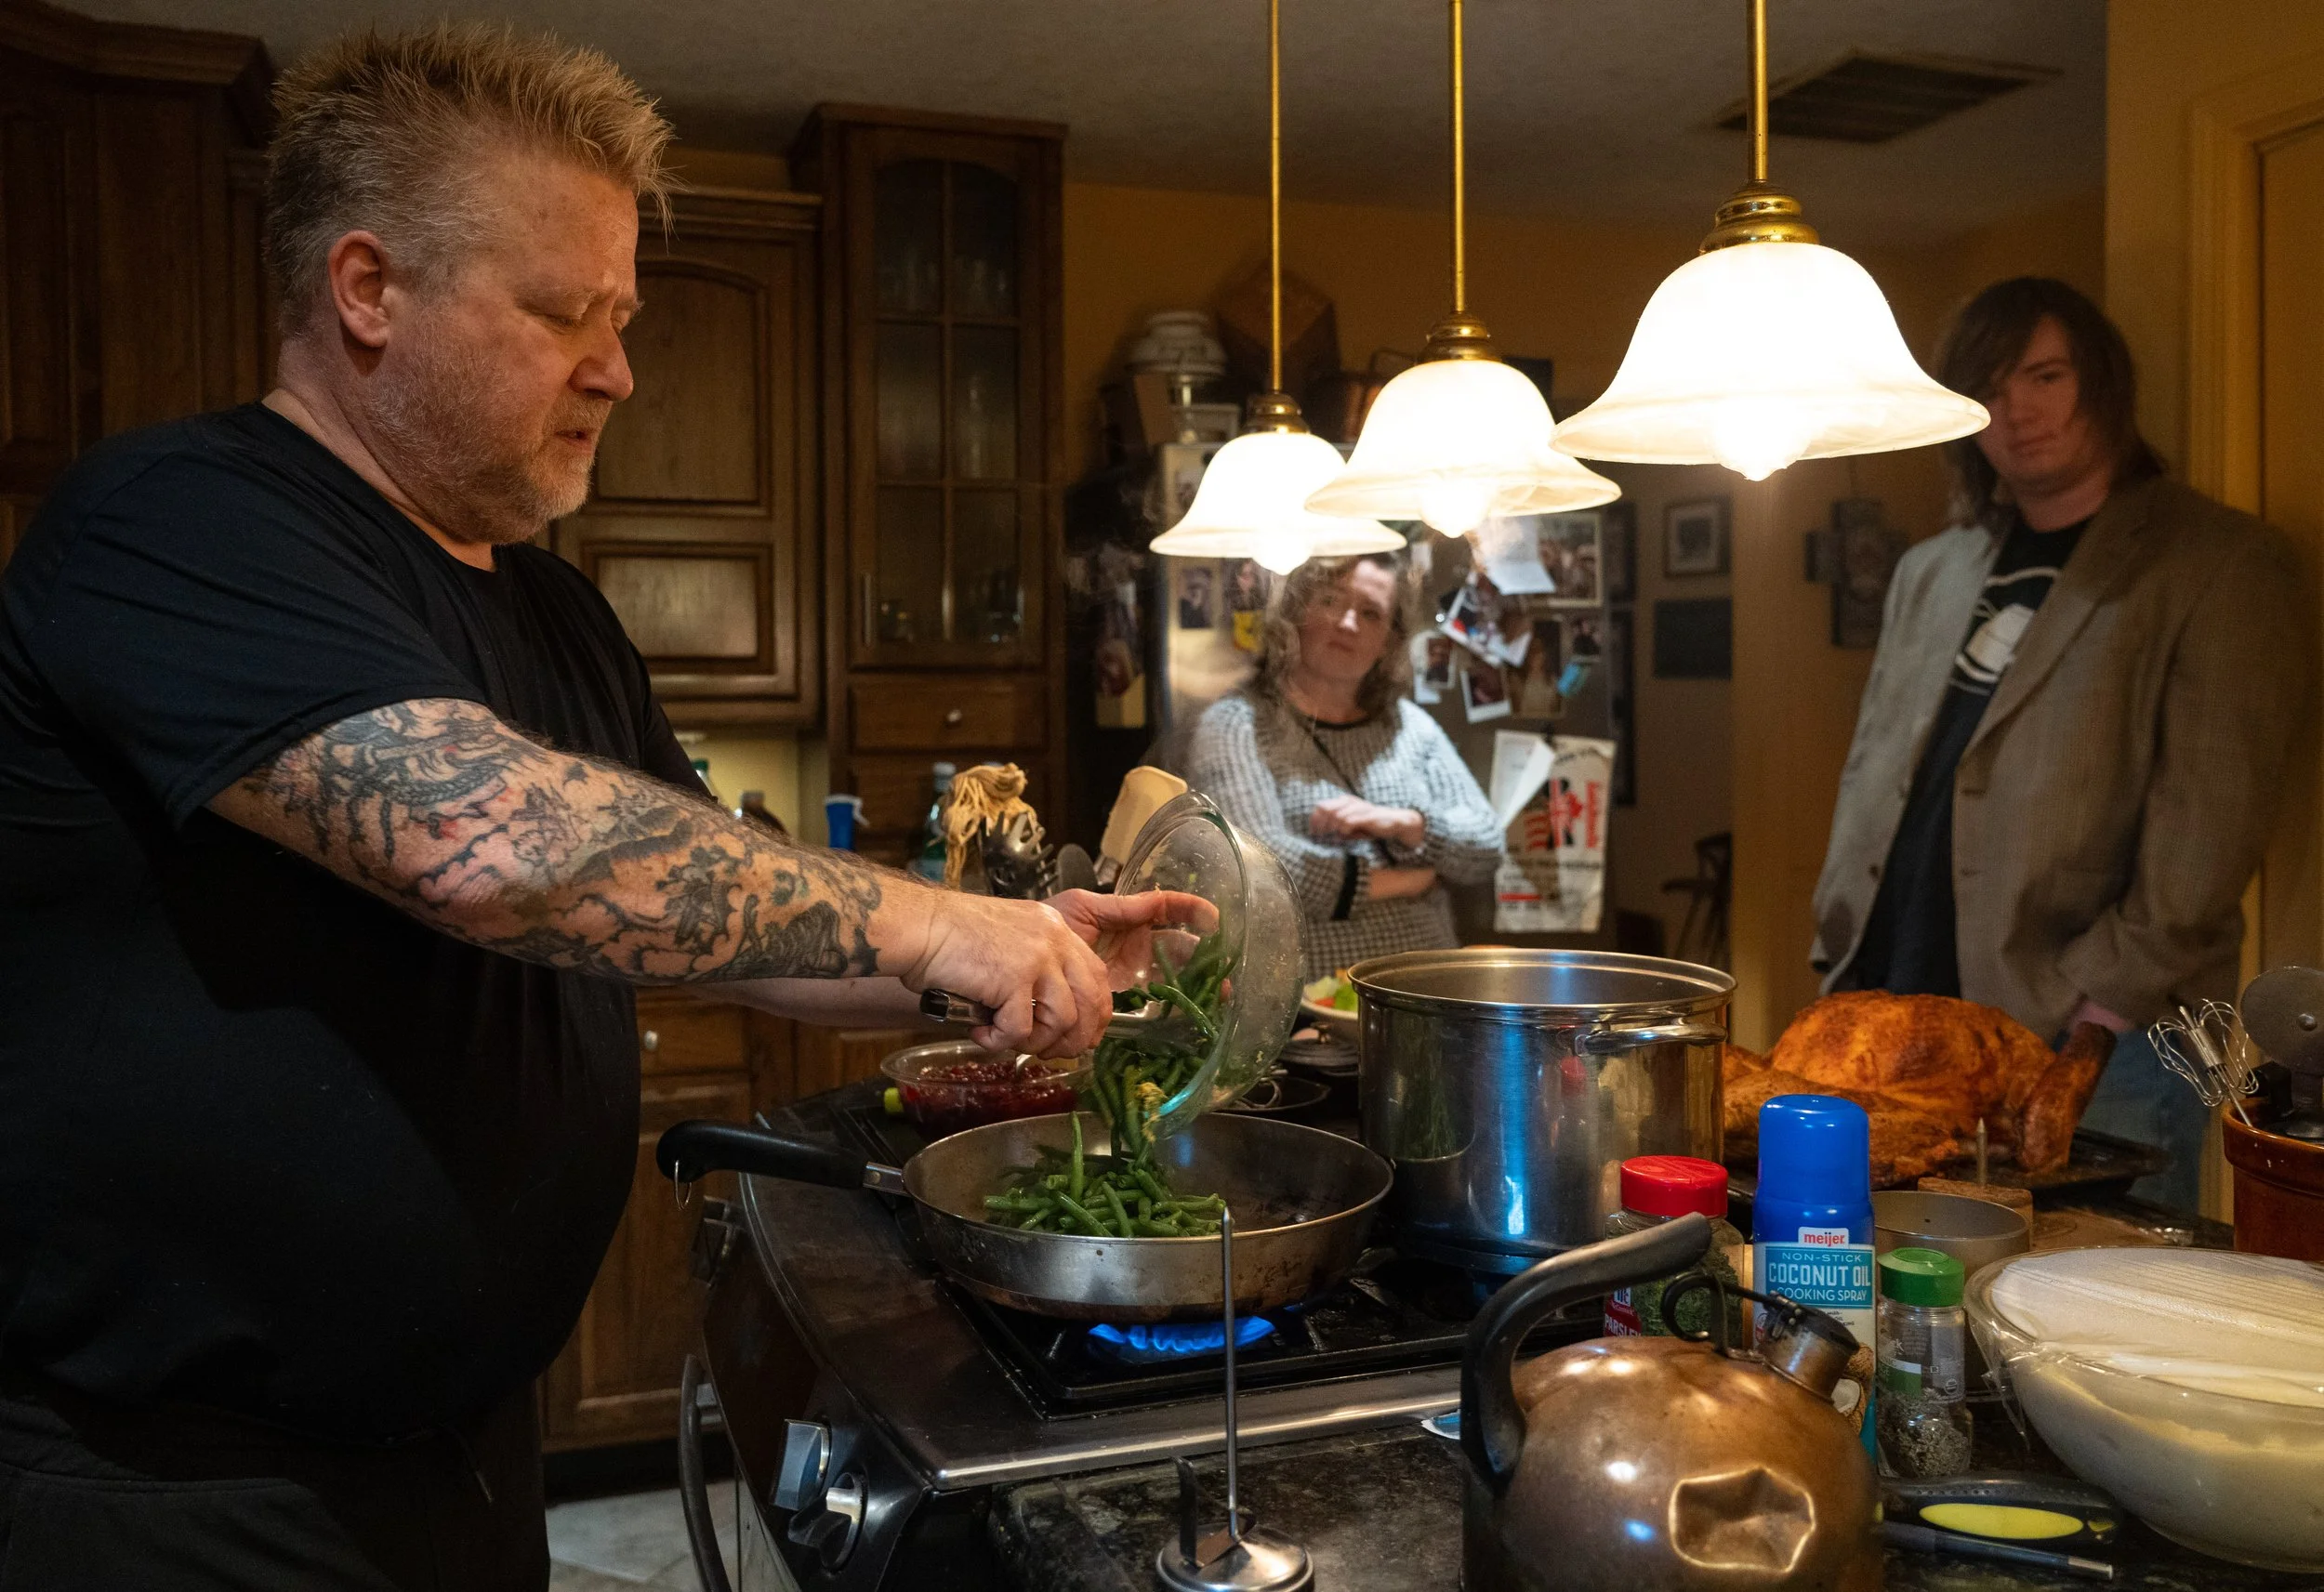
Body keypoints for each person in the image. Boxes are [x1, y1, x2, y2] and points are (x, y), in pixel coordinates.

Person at [0, 24, 1177, 1590]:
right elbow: (483, 844)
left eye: (621, 316)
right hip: (172, 1487)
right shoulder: (178, 518)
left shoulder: (559, 619)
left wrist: (1014, 941)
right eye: (564, 312)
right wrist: (932, 914)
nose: (619, 366)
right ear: (368, 288)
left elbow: (711, 913)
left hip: (463, 1452)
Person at [1812, 277, 2311, 1209]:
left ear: (2104, 383)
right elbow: (1874, 774)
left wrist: (2093, 1015)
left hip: (2094, 1040)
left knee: (2083, 1307)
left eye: (2044, 377)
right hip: (1903, 1017)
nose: (2017, 412)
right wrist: (1838, 952)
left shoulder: (2217, 565)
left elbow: (2206, 832)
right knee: (1902, 1305)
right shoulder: (1932, 568)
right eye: (1990, 390)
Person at [1184, 552, 1504, 980]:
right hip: (1303, 1001)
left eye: (1371, 614)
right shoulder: (1235, 723)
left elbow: (1485, 846)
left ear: (1389, 642)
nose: (1349, 623)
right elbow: (1256, 870)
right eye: (1332, 601)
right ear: (1295, 612)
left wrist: (1406, 824)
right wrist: (1410, 880)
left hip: (1428, 991)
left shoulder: (1409, 725)